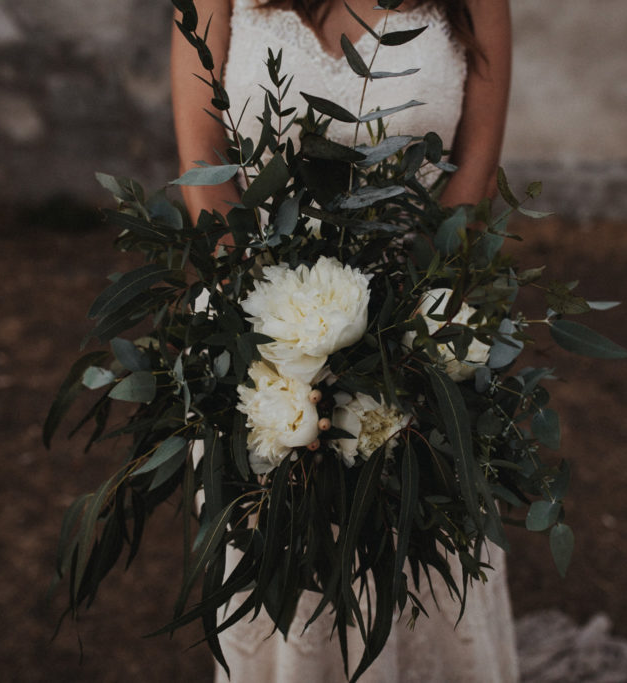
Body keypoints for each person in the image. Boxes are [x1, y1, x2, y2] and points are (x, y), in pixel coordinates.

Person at [170, 1, 516, 680]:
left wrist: (405, 325)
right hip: (262, 330)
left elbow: (474, 163)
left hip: (412, 325)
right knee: (282, 564)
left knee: (418, 554)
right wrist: (269, 322)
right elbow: (202, 153)